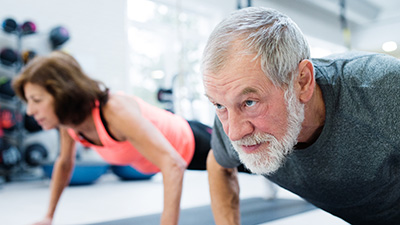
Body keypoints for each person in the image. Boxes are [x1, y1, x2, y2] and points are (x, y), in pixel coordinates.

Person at [201, 6, 400, 225]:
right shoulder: (232, 112)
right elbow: (218, 163)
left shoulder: (385, 90)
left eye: (250, 102)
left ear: (302, 82)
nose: (235, 133)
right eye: (219, 105)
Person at [12, 50, 212, 225]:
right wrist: (48, 216)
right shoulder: (69, 122)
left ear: (62, 94)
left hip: (195, 141)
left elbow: (173, 163)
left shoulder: (114, 111)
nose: (30, 111)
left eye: (36, 100)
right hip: (170, 158)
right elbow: (64, 163)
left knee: (240, 165)